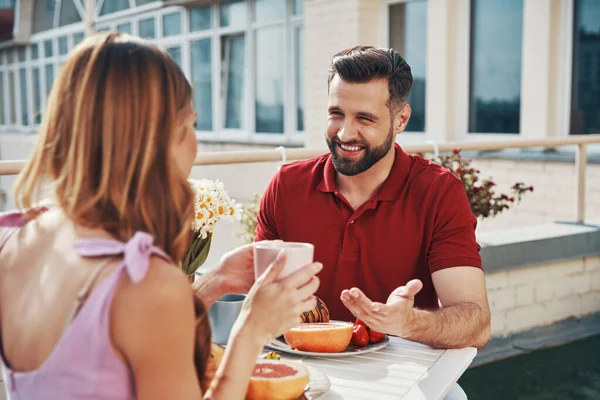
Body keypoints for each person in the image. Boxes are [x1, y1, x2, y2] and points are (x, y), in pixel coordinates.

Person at [0, 32, 321, 400]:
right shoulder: (146, 283)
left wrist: (214, 281)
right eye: (193, 124)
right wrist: (250, 332)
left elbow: (102, 349)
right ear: (164, 137)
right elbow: (135, 311)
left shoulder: (14, 238)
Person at [256, 45, 491, 351]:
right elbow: (258, 298)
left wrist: (408, 322)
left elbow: (477, 324)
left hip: (401, 377)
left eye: (365, 119)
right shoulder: (286, 186)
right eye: (336, 114)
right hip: (302, 370)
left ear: (401, 120)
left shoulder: (439, 193)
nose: (344, 133)